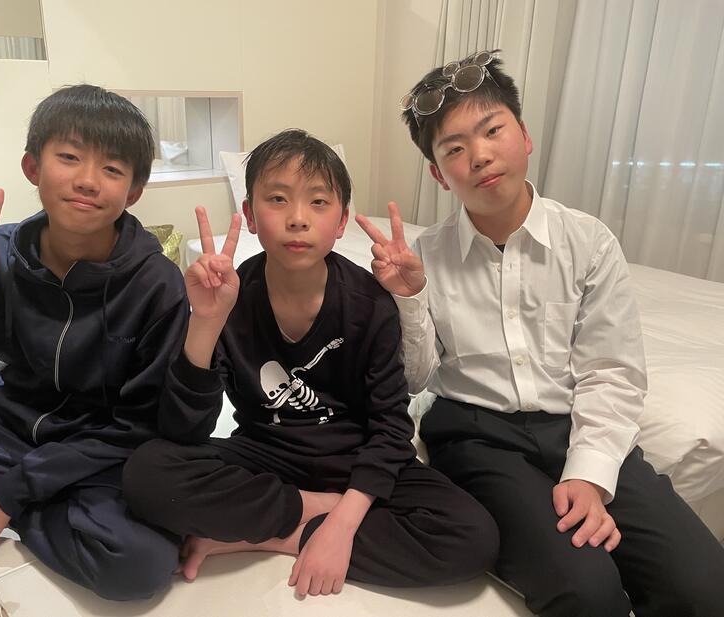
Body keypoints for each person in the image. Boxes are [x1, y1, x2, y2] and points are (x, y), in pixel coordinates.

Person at [357, 50, 724, 616]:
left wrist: (590, 477)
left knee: (704, 584)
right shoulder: (424, 256)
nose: (480, 155)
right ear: (438, 174)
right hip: (476, 437)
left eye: (492, 131)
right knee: (586, 590)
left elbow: (611, 371)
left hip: (578, 423)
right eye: (454, 149)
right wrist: (408, 298)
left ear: (524, 136)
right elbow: (416, 378)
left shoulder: (588, 242)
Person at [123, 128, 498, 598]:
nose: (298, 219)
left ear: (341, 221)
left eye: (318, 202)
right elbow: (183, 431)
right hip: (266, 452)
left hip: (356, 456)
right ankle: (311, 507)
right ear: (250, 216)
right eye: (278, 199)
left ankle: (277, 536)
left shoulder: (370, 303)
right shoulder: (230, 296)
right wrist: (206, 322)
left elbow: (390, 427)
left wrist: (343, 522)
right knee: (146, 473)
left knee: (472, 538)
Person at [0, 84, 189, 600]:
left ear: (134, 191)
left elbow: (141, 424)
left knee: (139, 564)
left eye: (111, 168)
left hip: (97, 450)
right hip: (10, 427)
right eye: (69, 157)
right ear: (33, 167)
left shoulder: (156, 284)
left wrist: (8, 494)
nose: (87, 180)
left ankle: (10, 497)